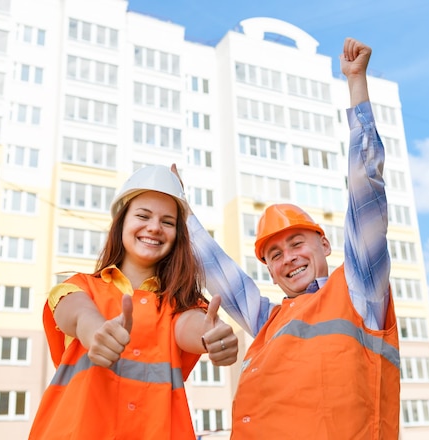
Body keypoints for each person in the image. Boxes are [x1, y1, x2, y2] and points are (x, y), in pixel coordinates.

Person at [183, 37, 400, 439]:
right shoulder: (268, 321)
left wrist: (356, 86)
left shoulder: (359, 292)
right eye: (275, 254)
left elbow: (365, 191)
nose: (288, 259)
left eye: (297, 243)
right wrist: (183, 214)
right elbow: (222, 275)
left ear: (325, 245)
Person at [29, 164, 238, 440]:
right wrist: (95, 332)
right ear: (122, 222)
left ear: (178, 236)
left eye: (167, 221)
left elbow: (191, 325)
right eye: (143, 215)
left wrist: (211, 335)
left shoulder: (182, 303)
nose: (154, 227)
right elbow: (77, 313)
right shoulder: (80, 287)